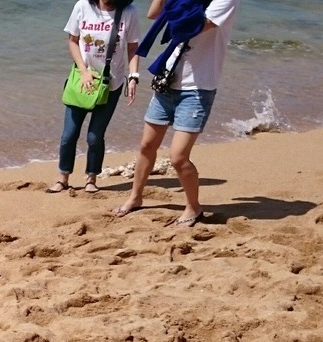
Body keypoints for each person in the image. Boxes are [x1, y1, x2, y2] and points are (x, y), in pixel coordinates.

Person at [114, 0, 241, 225]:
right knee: (147, 146)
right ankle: (135, 197)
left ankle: (194, 207)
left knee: (178, 157)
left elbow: (194, 26)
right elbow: (154, 14)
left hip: (198, 88)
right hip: (168, 80)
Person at [48, 0, 141, 195]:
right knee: (68, 135)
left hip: (111, 84)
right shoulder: (82, 6)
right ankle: (63, 178)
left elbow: (133, 48)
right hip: (82, 81)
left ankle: (91, 178)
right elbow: (73, 40)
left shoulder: (128, 12)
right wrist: (84, 71)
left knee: (94, 136)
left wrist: (133, 76)